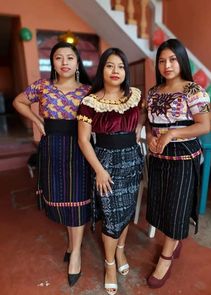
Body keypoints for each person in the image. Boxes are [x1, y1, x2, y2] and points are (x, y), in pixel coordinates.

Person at [13, 41, 92, 287]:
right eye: (59, 58)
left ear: (77, 62)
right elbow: (18, 101)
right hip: (53, 148)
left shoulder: (89, 91)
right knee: (62, 197)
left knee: (77, 199)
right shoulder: (43, 86)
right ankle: (71, 243)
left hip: (80, 148)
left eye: (70, 58)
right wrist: (37, 120)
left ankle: (76, 253)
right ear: (53, 63)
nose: (65, 62)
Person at [143, 39, 211, 288]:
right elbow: (150, 123)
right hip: (159, 158)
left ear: (181, 60)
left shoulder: (193, 90)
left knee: (176, 207)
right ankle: (174, 240)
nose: (167, 65)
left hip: (183, 157)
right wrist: (151, 135)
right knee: (160, 205)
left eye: (172, 59)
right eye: (162, 60)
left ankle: (165, 256)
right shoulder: (153, 92)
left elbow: (203, 125)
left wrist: (171, 134)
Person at [78, 47, 143, 295]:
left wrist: (137, 133)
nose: (116, 71)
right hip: (105, 164)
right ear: (101, 69)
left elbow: (143, 114)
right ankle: (109, 265)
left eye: (120, 66)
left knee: (125, 211)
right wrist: (100, 171)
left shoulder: (135, 96)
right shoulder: (90, 101)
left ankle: (121, 250)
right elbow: (84, 141)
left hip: (132, 161)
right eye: (110, 65)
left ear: (125, 71)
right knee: (112, 215)